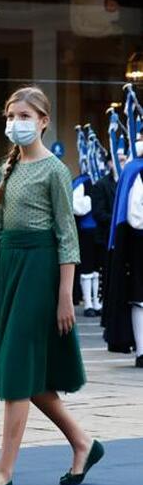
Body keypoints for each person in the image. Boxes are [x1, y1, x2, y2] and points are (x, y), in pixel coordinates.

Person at [0, 86, 102, 485]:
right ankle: (83, 442)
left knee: (18, 371)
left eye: (24, 116)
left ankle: (3, 471)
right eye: (10, 116)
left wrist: (64, 296)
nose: (15, 123)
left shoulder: (55, 170)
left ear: (43, 121)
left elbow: (67, 236)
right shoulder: (7, 170)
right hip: (11, 271)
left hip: (40, 271)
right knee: (24, 371)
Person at [103, 138, 143, 367]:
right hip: (139, 242)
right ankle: (142, 350)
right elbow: (135, 215)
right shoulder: (136, 171)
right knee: (140, 299)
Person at [91, 151, 120, 312]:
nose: (120, 163)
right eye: (118, 160)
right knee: (107, 272)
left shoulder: (132, 180)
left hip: (127, 237)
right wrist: (120, 219)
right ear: (109, 163)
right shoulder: (101, 184)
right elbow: (98, 213)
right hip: (107, 236)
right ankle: (104, 303)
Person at [72, 168, 102, 316]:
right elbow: (75, 207)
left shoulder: (104, 178)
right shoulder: (83, 181)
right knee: (87, 268)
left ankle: (97, 302)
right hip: (87, 230)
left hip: (101, 230)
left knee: (98, 269)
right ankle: (88, 303)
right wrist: (91, 199)